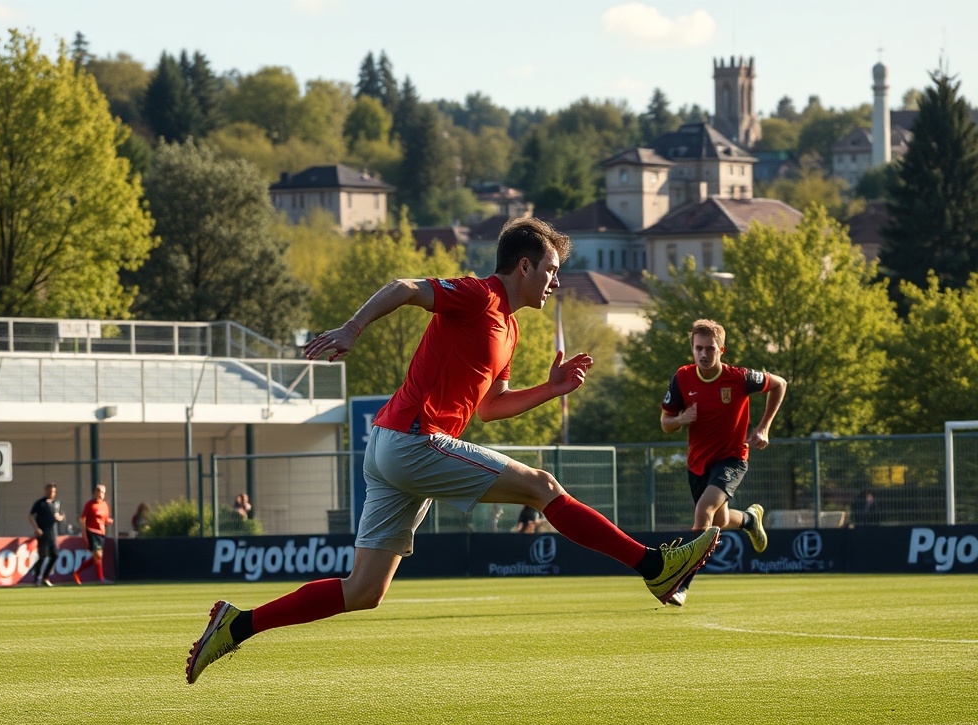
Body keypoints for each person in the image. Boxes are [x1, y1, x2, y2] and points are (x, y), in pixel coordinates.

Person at [186, 217, 720, 684]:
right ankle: (653, 565)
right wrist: (352, 329)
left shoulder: (508, 328)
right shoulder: (478, 295)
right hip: (411, 441)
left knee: (364, 591)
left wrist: (552, 389)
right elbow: (403, 286)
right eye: (552, 269)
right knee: (542, 488)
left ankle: (237, 624)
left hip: (393, 448)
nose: (557, 280)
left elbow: (491, 407)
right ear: (525, 266)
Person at [660, 318, 787, 607]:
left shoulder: (739, 378)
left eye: (710, 349)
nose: (704, 354)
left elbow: (780, 384)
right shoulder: (682, 378)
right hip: (698, 463)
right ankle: (750, 519)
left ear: (722, 350)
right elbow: (666, 423)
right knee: (719, 519)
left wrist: (763, 427)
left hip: (732, 458)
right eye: (698, 348)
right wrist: (681, 419)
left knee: (704, 510)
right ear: (692, 349)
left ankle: (682, 584)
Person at [73, 484, 114, 584]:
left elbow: (104, 519)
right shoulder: (90, 504)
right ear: (95, 492)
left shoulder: (105, 505)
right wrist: (84, 532)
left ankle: (77, 573)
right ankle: (101, 579)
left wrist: (108, 521)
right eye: (98, 491)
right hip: (91, 531)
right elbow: (83, 518)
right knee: (98, 554)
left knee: (97, 557)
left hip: (101, 533)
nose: (100, 494)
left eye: (102, 492)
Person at [28, 482, 63, 586]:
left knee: (55, 555)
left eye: (53, 491)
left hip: (52, 534)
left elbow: (60, 516)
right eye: (49, 490)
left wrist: (59, 518)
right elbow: (30, 516)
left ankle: (45, 577)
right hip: (42, 534)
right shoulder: (40, 503)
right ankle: (36, 577)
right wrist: (36, 528)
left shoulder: (56, 503)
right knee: (43, 556)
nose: (51, 493)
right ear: (46, 491)